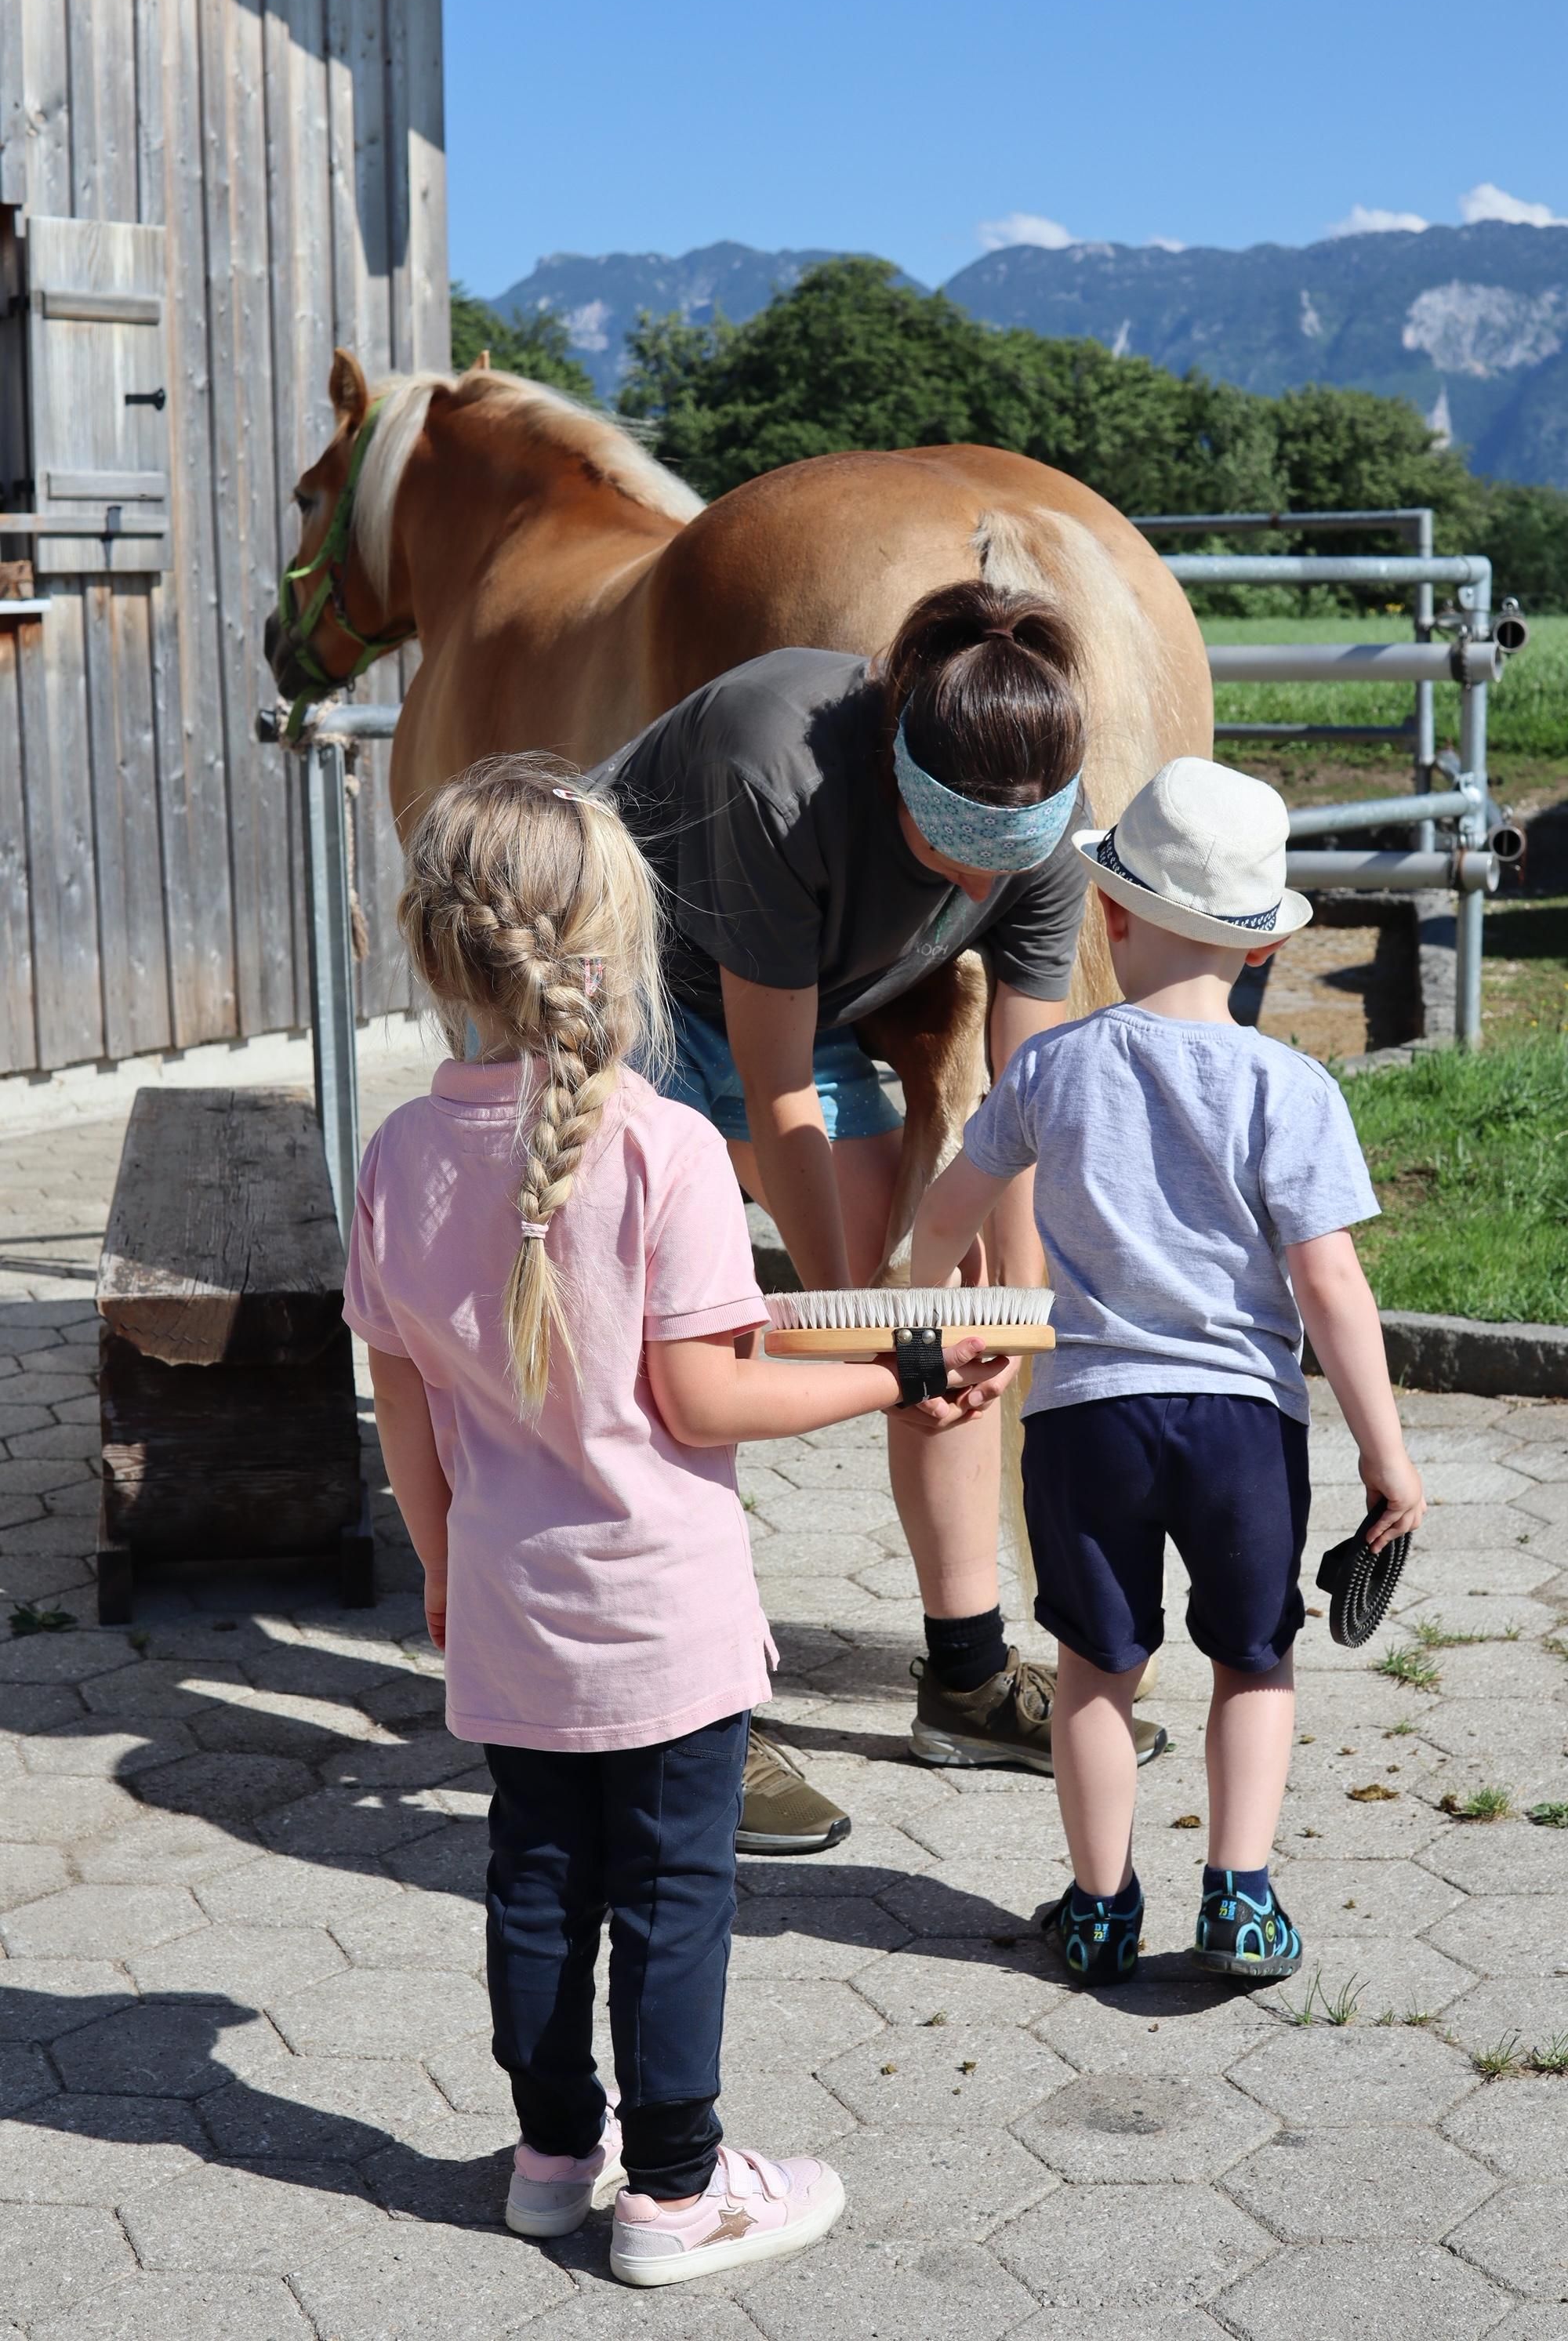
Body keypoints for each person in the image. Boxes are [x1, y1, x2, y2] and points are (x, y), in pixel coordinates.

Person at [344, 757, 1012, 2281]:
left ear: (439, 947)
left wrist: (442, 1567)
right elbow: (704, 1400)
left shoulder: (394, 1158)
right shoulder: (662, 1145)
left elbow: (402, 1402)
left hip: (505, 1606)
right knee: (670, 1897)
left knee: (535, 1881)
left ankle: (549, 2157)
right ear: (618, 940)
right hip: (663, 1623)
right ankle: (673, 2190)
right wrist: (898, 1375)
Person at [601, 579, 1167, 1856]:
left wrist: (1003, 1322)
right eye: (949, 850)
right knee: (665, 1342)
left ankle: (966, 1681)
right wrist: (867, 1335)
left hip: (794, 1003)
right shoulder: (773, 767)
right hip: (615, 985)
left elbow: (1024, 1099)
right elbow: (773, 1090)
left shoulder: (1040, 811)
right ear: (899, 766)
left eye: (1005, 862)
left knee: (946, 1315)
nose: (976, 882)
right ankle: (685, 1719)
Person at [909, 757, 1426, 1983]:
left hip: (1085, 1421)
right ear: (1264, 948)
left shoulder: (1051, 1067)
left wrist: (934, 1314)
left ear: (1112, 913)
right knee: (1254, 1657)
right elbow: (1331, 1286)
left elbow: (948, 1210)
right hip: (1242, 1423)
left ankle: (1100, 1910)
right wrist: (1388, 1455)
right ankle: (1240, 1897)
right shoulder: (1293, 1088)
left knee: (1097, 1668)